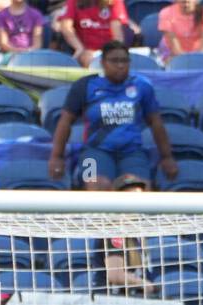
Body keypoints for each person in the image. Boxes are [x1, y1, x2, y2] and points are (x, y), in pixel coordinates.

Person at [49, 40, 178, 191]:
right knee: (95, 185)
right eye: (114, 61)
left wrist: (167, 157)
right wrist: (57, 156)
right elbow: (65, 121)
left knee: (136, 190)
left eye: (124, 61)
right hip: (93, 152)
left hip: (132, 152)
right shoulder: (85, 85)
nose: (120, 65)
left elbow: (156, 123)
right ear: (103, 63)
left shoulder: (141, 85)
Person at [58, 0, 129, 67]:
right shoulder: (73, 1)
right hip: (85, 50)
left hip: (108, 51)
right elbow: (66, 27)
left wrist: (112, 53)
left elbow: (117, 35)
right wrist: (79, 48)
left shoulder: (115, 1)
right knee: (89, 59)